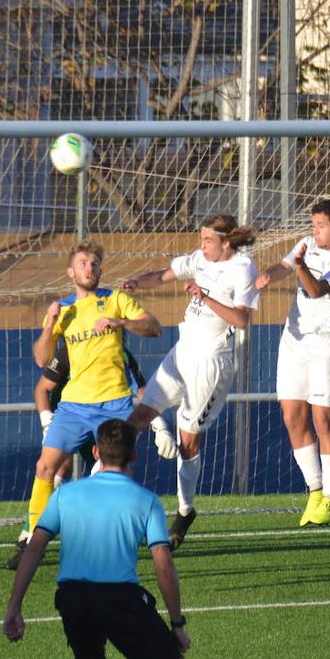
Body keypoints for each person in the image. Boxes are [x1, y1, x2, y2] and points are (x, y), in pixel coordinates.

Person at [20, 240, 162, 565]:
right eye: (83, 263)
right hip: (73, 406)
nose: (90, 268)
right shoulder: (64, 310)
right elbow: (43, 359)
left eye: (95, 263)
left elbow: (154, 327)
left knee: (116, 475)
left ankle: (117, 539)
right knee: (45, 467)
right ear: (71, 271)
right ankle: (33, 538)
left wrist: (122, 323)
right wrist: (49, 325)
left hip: (114, 402)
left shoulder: (115, 299)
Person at [123, 214, 259, 550]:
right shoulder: (199, 259)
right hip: (182, 352)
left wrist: (205, 297)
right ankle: (107, 496)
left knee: (188, 442)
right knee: (136, 419)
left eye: (208, 241)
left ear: (226, 242)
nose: (202, 246)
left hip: (212, 362)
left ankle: (184, 511)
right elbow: (164, 274)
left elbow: (242, 319)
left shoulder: (243, 268)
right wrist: (137, 283)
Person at [3, 419, 191, 659]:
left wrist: (14, 607)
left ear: (95, 452)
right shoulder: (147, 501)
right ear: (133, 455)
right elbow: (163, 566)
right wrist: (177, 624)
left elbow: (33, 550)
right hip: (119, 599)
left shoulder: (64, 494)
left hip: (72, 600)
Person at [255, 199, 330, 527]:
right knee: (292, 417)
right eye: (313, 225)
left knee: (323, 419)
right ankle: (314, 489)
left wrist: (300, 266)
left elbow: (316, 291)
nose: (314, 231)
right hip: (294, 342)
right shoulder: (305, 245)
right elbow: (285, 266)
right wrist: (265, 276)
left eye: (320, 225)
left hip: (326, 346)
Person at [5, 335, 147, 570]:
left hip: (104, 424)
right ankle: (31, 538)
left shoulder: (118, 353)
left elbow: (142, 390)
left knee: (107, 476)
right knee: (53, 467)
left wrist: (158, 422)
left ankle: (100, 543)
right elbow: (42, 388)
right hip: (71, 418)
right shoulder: (70, 352)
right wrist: (47, 421)